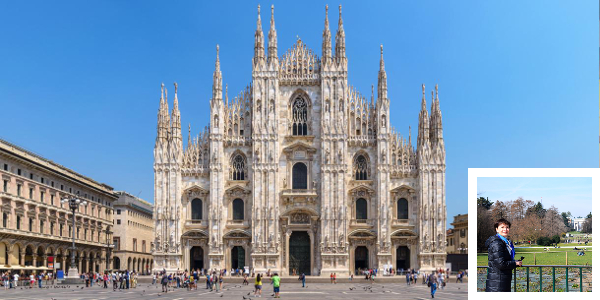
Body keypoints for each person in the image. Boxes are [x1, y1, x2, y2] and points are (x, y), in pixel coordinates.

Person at [485, 218, 522, 292]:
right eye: (502, 227)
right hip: (497, 284)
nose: (505, 229)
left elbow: (504, 259)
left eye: (507, 227)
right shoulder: (497, 243)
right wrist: (515, 263)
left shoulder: (505, 242)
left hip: (502, 281)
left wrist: (514, 261)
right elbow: (501, 264)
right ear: (496, 229)